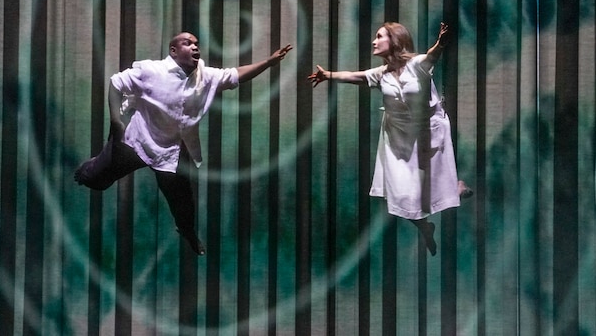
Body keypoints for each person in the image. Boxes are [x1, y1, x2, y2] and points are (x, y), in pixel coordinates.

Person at [75, 32, 293, 256]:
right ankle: (87, 168)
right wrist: (115, 120)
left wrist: (268, 62)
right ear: (174, 51)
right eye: (188, 43)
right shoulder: (151, 71)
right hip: (136, 142)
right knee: (96, 178)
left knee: (184, 205)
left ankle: (187, 232)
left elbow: (235, 75)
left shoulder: (204, 76)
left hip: (170, 152)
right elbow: (116, 83)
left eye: (197, 44)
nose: (195, 47)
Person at [308, 22, 472, 256]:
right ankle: (426, 225)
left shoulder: (416, 65)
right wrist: (328, 75)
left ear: (394, 40)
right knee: (401, 197)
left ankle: (454, 188)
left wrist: (441, 43)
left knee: (421, 191)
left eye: (379, 37)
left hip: (428, 131)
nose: (374, 42)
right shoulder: (381, 74)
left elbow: (432, 56)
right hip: (399, 137)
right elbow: (356, 76)